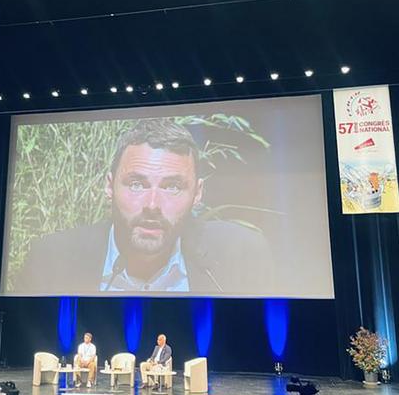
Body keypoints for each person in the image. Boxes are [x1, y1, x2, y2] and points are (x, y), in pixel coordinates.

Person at [14, 118, 274, 295]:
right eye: (137, 184)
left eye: (172, 187)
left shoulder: (242, 254)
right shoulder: (51, 259)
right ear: (109, 185)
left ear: (198, 193)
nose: (152, 205)